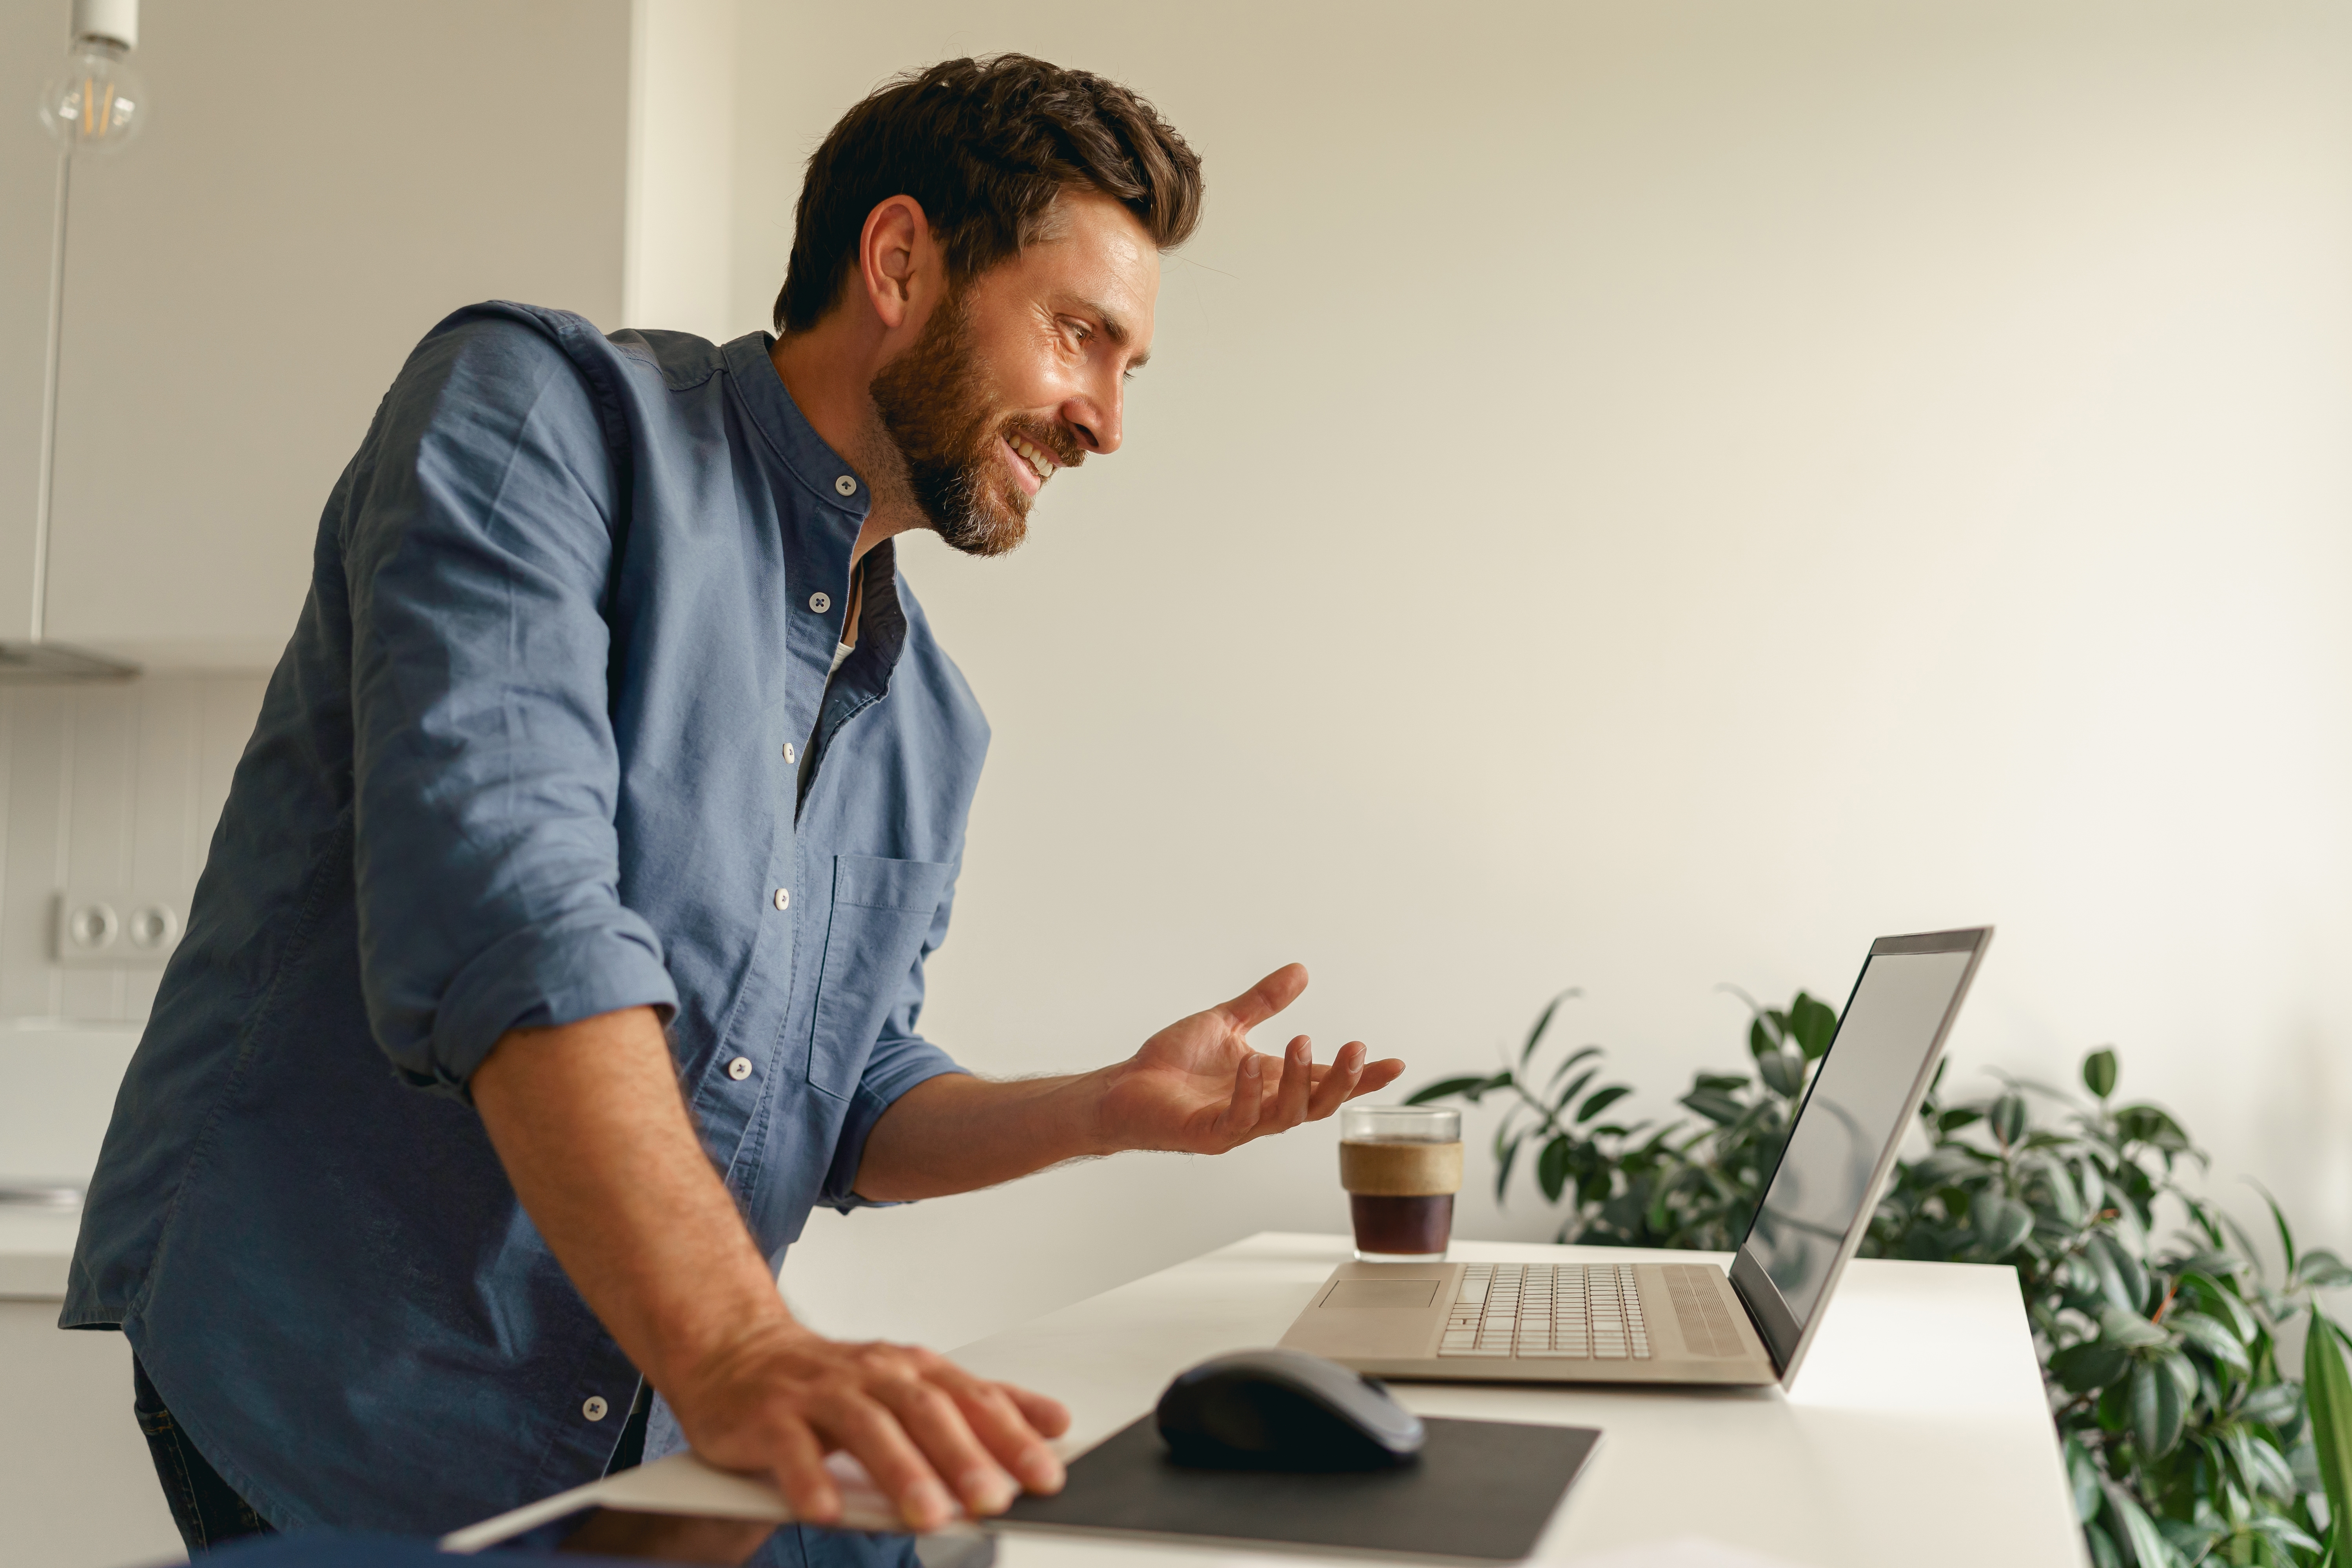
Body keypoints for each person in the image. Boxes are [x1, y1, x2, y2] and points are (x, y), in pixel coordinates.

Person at [63, 53, 1403, 1561]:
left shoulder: (928, 719)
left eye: (1127, 368)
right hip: (353, 1381)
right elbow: (517, 917)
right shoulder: (538, 417)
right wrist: (743, 1350)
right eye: (1080, 336)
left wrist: (1102, 1111)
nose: (1104, 421)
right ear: (899, 261)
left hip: (641, 1428)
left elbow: (842, 1100)